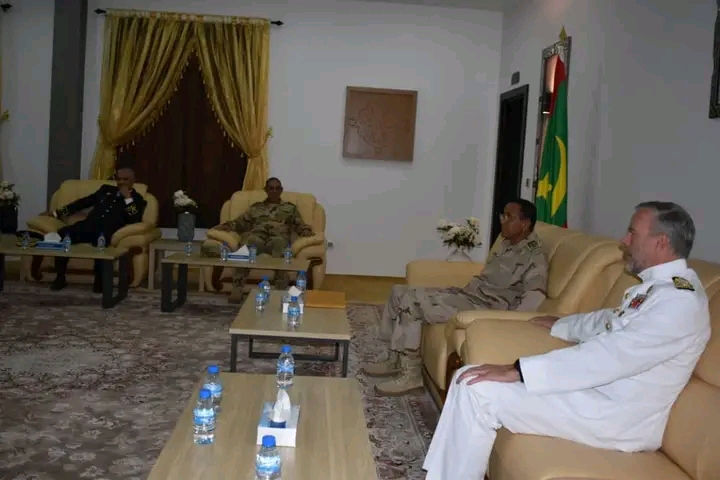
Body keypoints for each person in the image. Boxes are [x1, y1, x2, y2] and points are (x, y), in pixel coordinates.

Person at [422, 201, 711, 480]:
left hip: (617, 416)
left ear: (661, 242)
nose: (624, 241)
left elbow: (610, 356)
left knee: (477, 388)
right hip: (598, 395)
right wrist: (563, 324)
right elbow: (610, 320)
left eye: (632, 232)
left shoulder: (679, 302)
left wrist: (519, 370)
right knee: (468, 377)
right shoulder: (658, 289)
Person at [363, 199, 549, 397]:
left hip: (484, 307)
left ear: (524, 223)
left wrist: (504, 326)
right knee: (399, 292)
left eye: (508, 217)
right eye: (502, 215)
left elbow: (533, 299)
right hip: (470, 295)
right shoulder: (507, 243)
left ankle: (411, 376)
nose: (502, 220)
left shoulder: (534, 256)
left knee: (413, 303)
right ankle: (394, 358)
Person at [36, 167, 147, 292]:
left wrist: (127, 198)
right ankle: (60, 277)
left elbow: (134, 219)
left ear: (133, 180)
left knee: (101, 246)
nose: (121, 182)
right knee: (62, 234)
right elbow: (82, 203)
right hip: (88, 225)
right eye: (119, 179)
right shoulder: (106, 190)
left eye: (125, 179)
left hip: (107, 230)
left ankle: (99, 281)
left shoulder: (137, 199)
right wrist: (57, 213)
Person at [210, 177, 314, 302]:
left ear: (281, 190)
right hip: (257, 237)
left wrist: (305, 230)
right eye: (271, 188)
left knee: (281, 248)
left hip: (277, 238)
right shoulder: (256, 207)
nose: (274, 191)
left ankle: (280, 289)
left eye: (277, 188)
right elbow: (240, 222)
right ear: (266, 190)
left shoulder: (290, 208)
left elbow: (300, 224)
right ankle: (237, 288)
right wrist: (226, 226)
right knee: (246, 247)